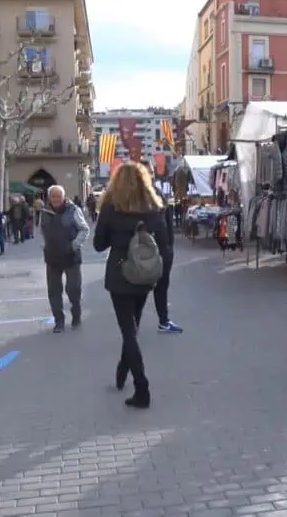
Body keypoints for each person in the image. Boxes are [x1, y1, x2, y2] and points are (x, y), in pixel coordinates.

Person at [93, 162, 170, 409]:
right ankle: (123, 369)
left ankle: (142, 387)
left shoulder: (110, 208)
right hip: (145, 274)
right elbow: (165, 243)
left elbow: (98, 244)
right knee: (133, 328)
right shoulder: (153, 207)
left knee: (128, 330)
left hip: (119, 273)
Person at [41, 185, 89, 333]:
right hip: (52, 257)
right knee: (54, 291)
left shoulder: (73, 210)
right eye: (53, 196)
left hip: (71, 256)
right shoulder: (44, 212)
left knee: (73, 289)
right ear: (49, 198)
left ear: (63, 197)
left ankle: (76, 315)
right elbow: (41, 230)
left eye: (58, 196)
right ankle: (59, 321)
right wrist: (45, 246)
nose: (56, 199)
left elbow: (84, 229)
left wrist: (74, 245)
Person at [141, 162, 182, 333]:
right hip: (145, 251)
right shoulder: (134, 196)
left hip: (164, 250)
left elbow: (167, 220)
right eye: (144, 172)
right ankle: (132, 323)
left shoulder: (158, 192)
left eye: (150, 171)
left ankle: (163, 321)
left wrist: (169, 248)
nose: (149, 174)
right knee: (140, 288)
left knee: (162, 287)